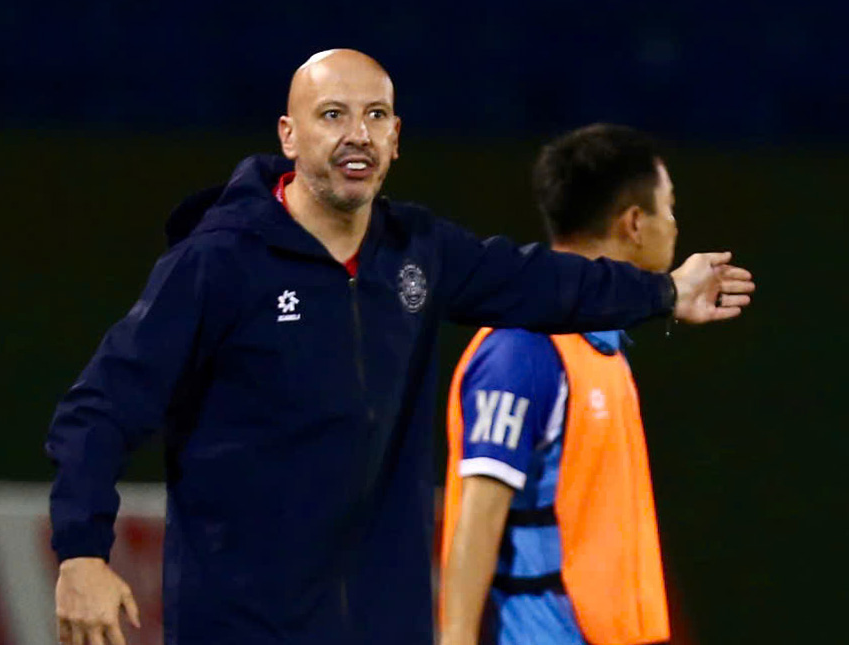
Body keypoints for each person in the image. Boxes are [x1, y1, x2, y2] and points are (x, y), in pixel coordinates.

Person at [47, 52, 754, 645]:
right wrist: (81, 549)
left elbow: (540, 281)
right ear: (289, 136)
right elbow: (100, 408)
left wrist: (664, 293)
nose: (357, 134)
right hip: (245, 625)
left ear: (395, 138)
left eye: (374, 116)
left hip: (384, 625)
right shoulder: (219, 264)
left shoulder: (416, 251)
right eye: (333, 116)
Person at [439, 124, 732, 645]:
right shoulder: (522, 349)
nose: (675, 224)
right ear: (635, 223)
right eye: (669, 208)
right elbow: (474, 524)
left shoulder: (601, 347)